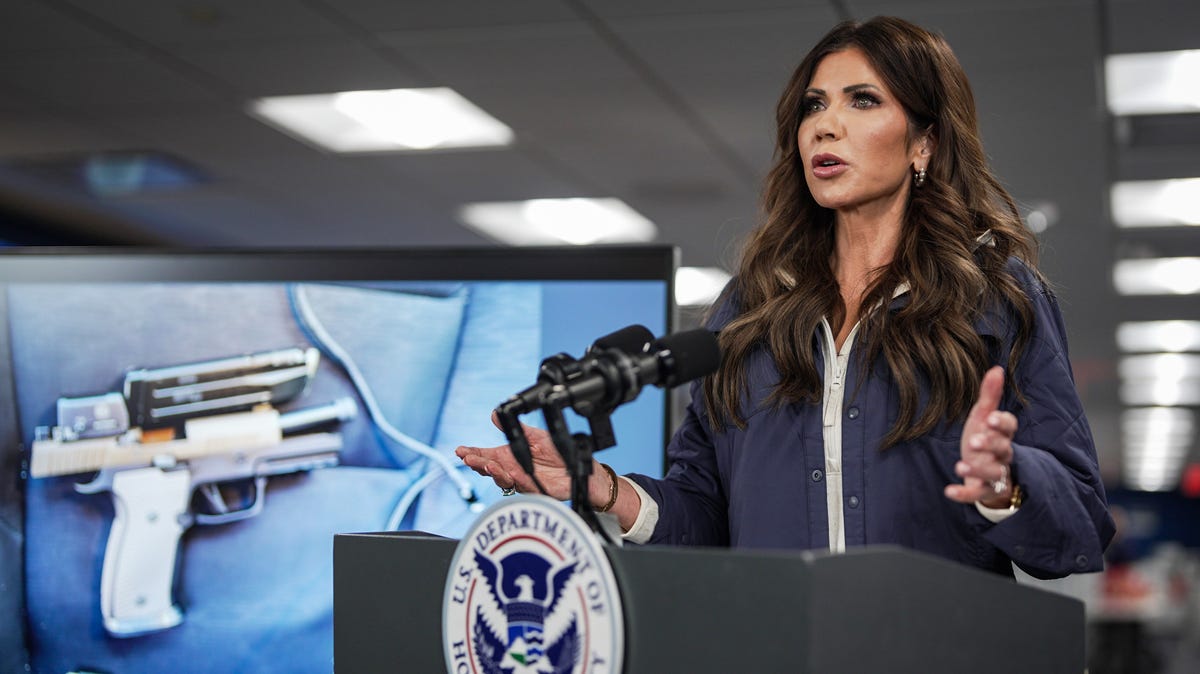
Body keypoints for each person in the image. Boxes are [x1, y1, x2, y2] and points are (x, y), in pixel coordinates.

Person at [457, 16, 1114, 579]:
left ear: (924, 142)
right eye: (813, 105)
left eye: (862, 101)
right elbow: (705, 511)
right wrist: (601, 490)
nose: (825, 126)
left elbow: (1081, 529)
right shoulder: (751, 310)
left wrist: (1008, 482)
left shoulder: (994, 298)